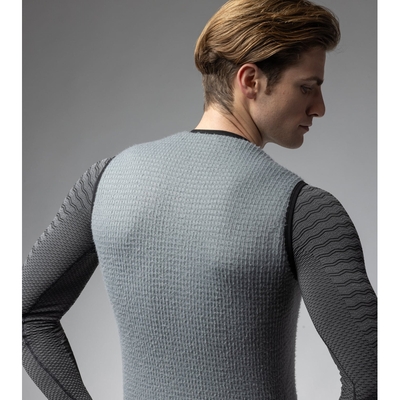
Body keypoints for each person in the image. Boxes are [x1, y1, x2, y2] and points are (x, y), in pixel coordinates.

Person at [22, 0, 377, 399]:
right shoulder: (306, 212)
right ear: (251, 80)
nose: (319, 107)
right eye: (307, 87)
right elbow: (373, 377)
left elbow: (26, 316)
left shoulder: (104, 181)